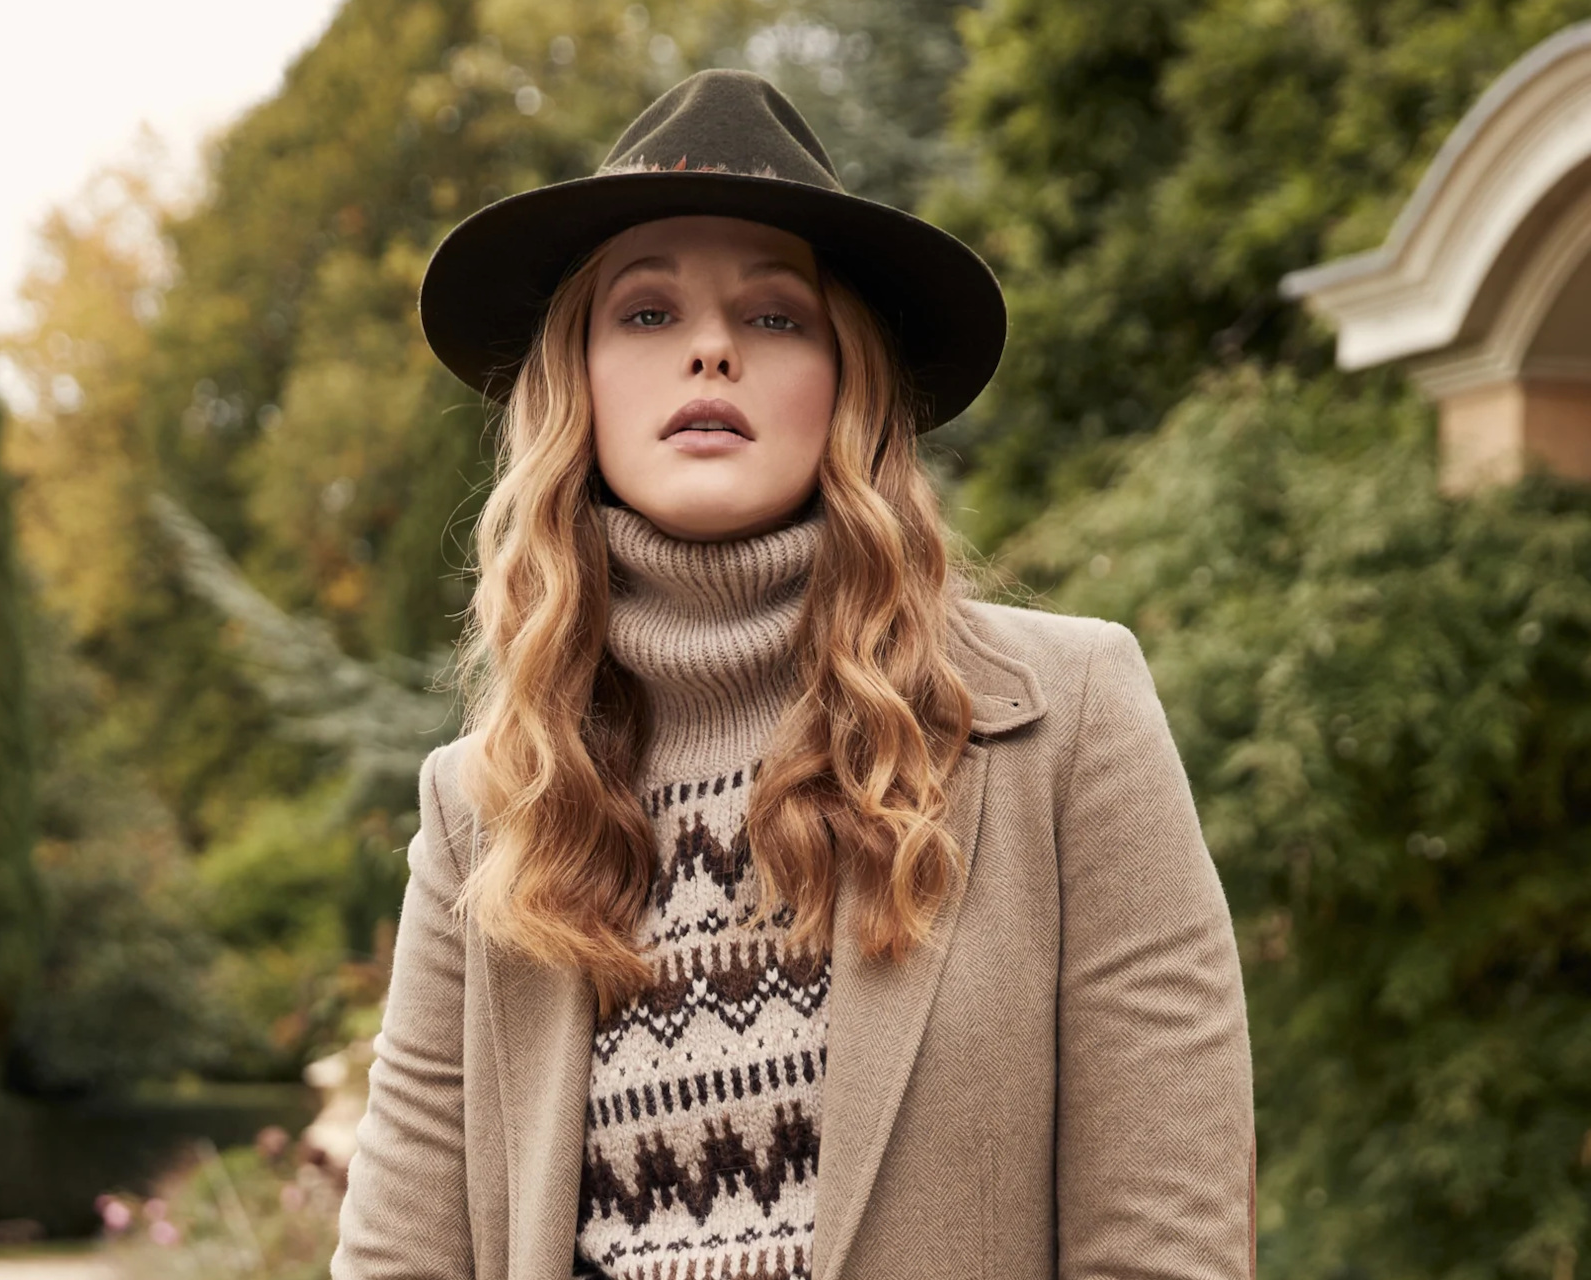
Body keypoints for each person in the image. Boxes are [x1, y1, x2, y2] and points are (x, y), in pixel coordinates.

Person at [331, 68, 1255, 1280]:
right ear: (581, 387)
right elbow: (401, 1259)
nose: (709, 349)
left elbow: (1166, 1245)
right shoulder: (484, 807)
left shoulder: (1068, 718)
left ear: (848, 383)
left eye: (774, 316)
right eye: (647, 314)